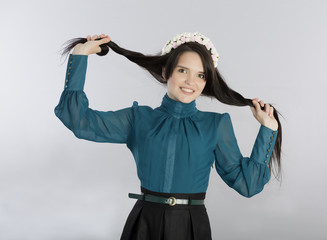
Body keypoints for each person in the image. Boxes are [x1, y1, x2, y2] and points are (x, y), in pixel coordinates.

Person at [55, 32, 282, 240]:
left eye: (200, 75)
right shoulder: (138, 119)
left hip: (192, 227)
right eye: (183, 71)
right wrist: (80, 55)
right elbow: (79, 121)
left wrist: (268, 130)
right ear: (166, 71)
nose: (190, 82)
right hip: (144, 225)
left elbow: (247, 185)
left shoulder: (216, 125)